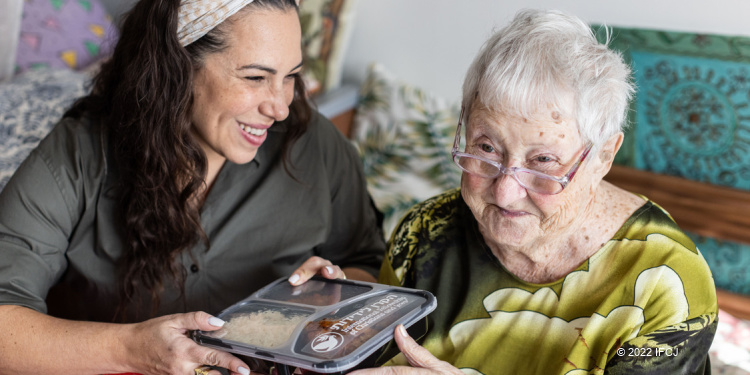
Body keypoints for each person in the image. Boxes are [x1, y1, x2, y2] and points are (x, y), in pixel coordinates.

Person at [0, 0, 384, 374]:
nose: (280, 107)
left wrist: (335, 296)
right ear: (177, 67)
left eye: (291, 76)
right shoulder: (79, 155)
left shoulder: (315, 146)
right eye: (255, 78)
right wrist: (132, 349)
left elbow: (367, 265)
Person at [352, 9, 718, 375]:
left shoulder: (665, 282)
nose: (506, 192)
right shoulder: (422, 234)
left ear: (604, 156)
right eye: (486, 148)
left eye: (542, 160)